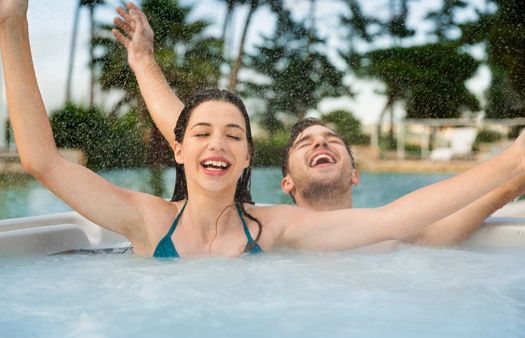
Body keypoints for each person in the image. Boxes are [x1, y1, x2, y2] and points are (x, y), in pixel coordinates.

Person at [2, 0, 525, 259]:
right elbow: (42, 161)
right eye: (204, 134)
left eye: (235, 135)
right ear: (179, 149)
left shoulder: (274, 229)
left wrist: (511, 162)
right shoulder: (147, 219)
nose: (219, 143)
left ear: (250, 156)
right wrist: (12, 24)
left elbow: (393, 218)